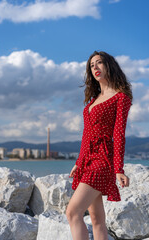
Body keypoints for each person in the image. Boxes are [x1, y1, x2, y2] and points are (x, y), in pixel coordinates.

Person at [66, 51, 133, 240]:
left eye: (99, 63)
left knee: (72, 212)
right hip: (88, 160)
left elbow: (119, 134)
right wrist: (79, 162)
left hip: (103, 161)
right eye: (91, 65)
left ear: (109, 66)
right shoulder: (92, 102)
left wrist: (118, 168)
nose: (95, 67)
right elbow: (86, 135)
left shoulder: (121, 98)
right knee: (96, 219)